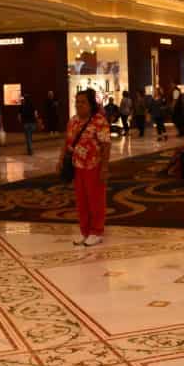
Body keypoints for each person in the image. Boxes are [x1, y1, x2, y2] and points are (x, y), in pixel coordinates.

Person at [57, 89, 111, 247]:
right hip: (77, 166)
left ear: (91, 104)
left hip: (94, 165)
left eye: (83, 102)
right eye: (77, 102)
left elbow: (106, 145)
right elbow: (67, 142)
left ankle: (96, 231)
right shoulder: (73, 121)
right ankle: (85, 231)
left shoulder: (99, 121)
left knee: (95, 199)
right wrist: (61, 159)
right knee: (81, 201)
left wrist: (105, 168)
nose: (79, 105)